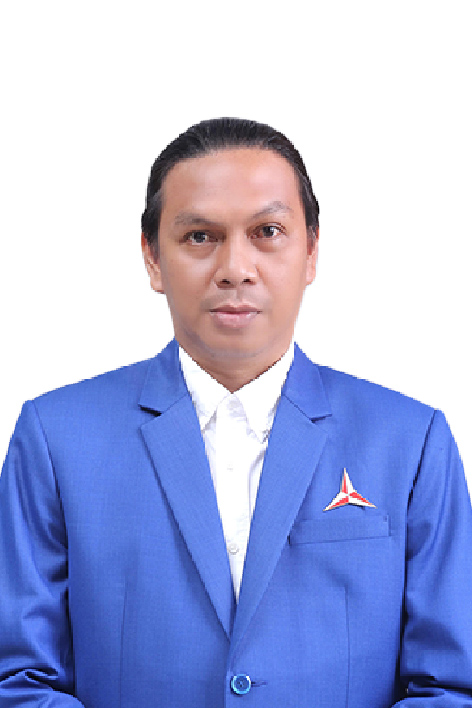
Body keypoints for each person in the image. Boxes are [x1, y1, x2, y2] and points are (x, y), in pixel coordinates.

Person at [0, 117, 471, 708]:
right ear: (152, 257)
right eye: (200, 236)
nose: (235, 267)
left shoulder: (411, 442)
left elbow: (450, 686)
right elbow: (18, 679)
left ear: (311, 252)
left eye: (268, 231)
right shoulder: (56, 439)